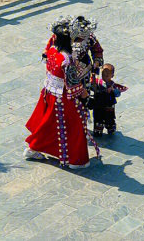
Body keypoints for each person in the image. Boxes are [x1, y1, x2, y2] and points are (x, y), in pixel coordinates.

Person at [25, 18, 94, 168]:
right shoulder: (67, 60)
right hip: (63, 98)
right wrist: (84, 95)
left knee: (49, 124)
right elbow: (71, 84)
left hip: (48, 93)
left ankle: (35, 148)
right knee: (74, 127)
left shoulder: (51, 51)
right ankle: (75, 159)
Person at [91, 64, 127, 136]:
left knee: (109, 118)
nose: (105, 77)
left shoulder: (113, 85)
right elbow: (93, 88)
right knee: (98, 117)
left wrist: (113, 91)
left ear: (112, 76)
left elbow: (118, 94)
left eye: (107, 75)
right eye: (103, 74)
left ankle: (110, 128)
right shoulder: (98, 82)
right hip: (99, 104)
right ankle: (98, 129)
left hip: (109, 105)